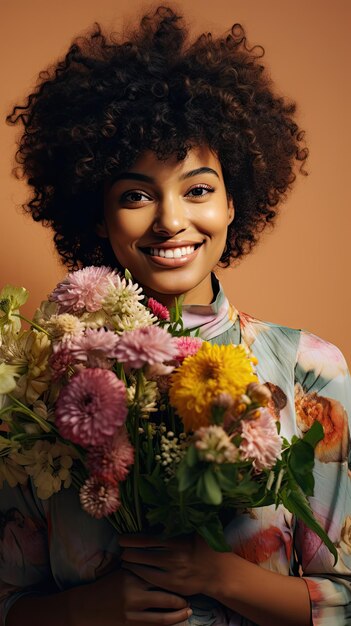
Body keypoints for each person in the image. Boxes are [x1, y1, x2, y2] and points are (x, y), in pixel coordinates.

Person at [2, 5, 351, 626]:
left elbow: (347, 601)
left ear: (233, 198)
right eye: (135, 195)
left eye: (197, 189)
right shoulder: (40, 385)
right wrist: (93, 610)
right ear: (97, 215)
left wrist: (217, 575)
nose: (169, 220)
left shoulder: (309, 370)